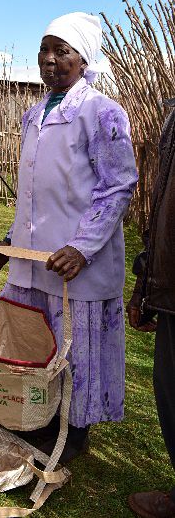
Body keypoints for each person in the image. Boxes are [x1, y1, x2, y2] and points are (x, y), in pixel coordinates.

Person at [0, 12, 138, 463]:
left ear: (84, 58)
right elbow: (32, 196)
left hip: (75, 264)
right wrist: (8, 243)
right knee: (37, 345)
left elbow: (117, 185)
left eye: (61, 51)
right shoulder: (34, 114)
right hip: (34, 261)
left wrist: (82, 247)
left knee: (76, 350)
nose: (49, 60)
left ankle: (75, 432)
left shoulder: (102, 112)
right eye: (44, 50)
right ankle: (41, 418)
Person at [127, 104, 175, 517]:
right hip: (170, 284)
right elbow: (161, 203)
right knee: (169, 388)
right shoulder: (174, 114)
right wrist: (146, 279)